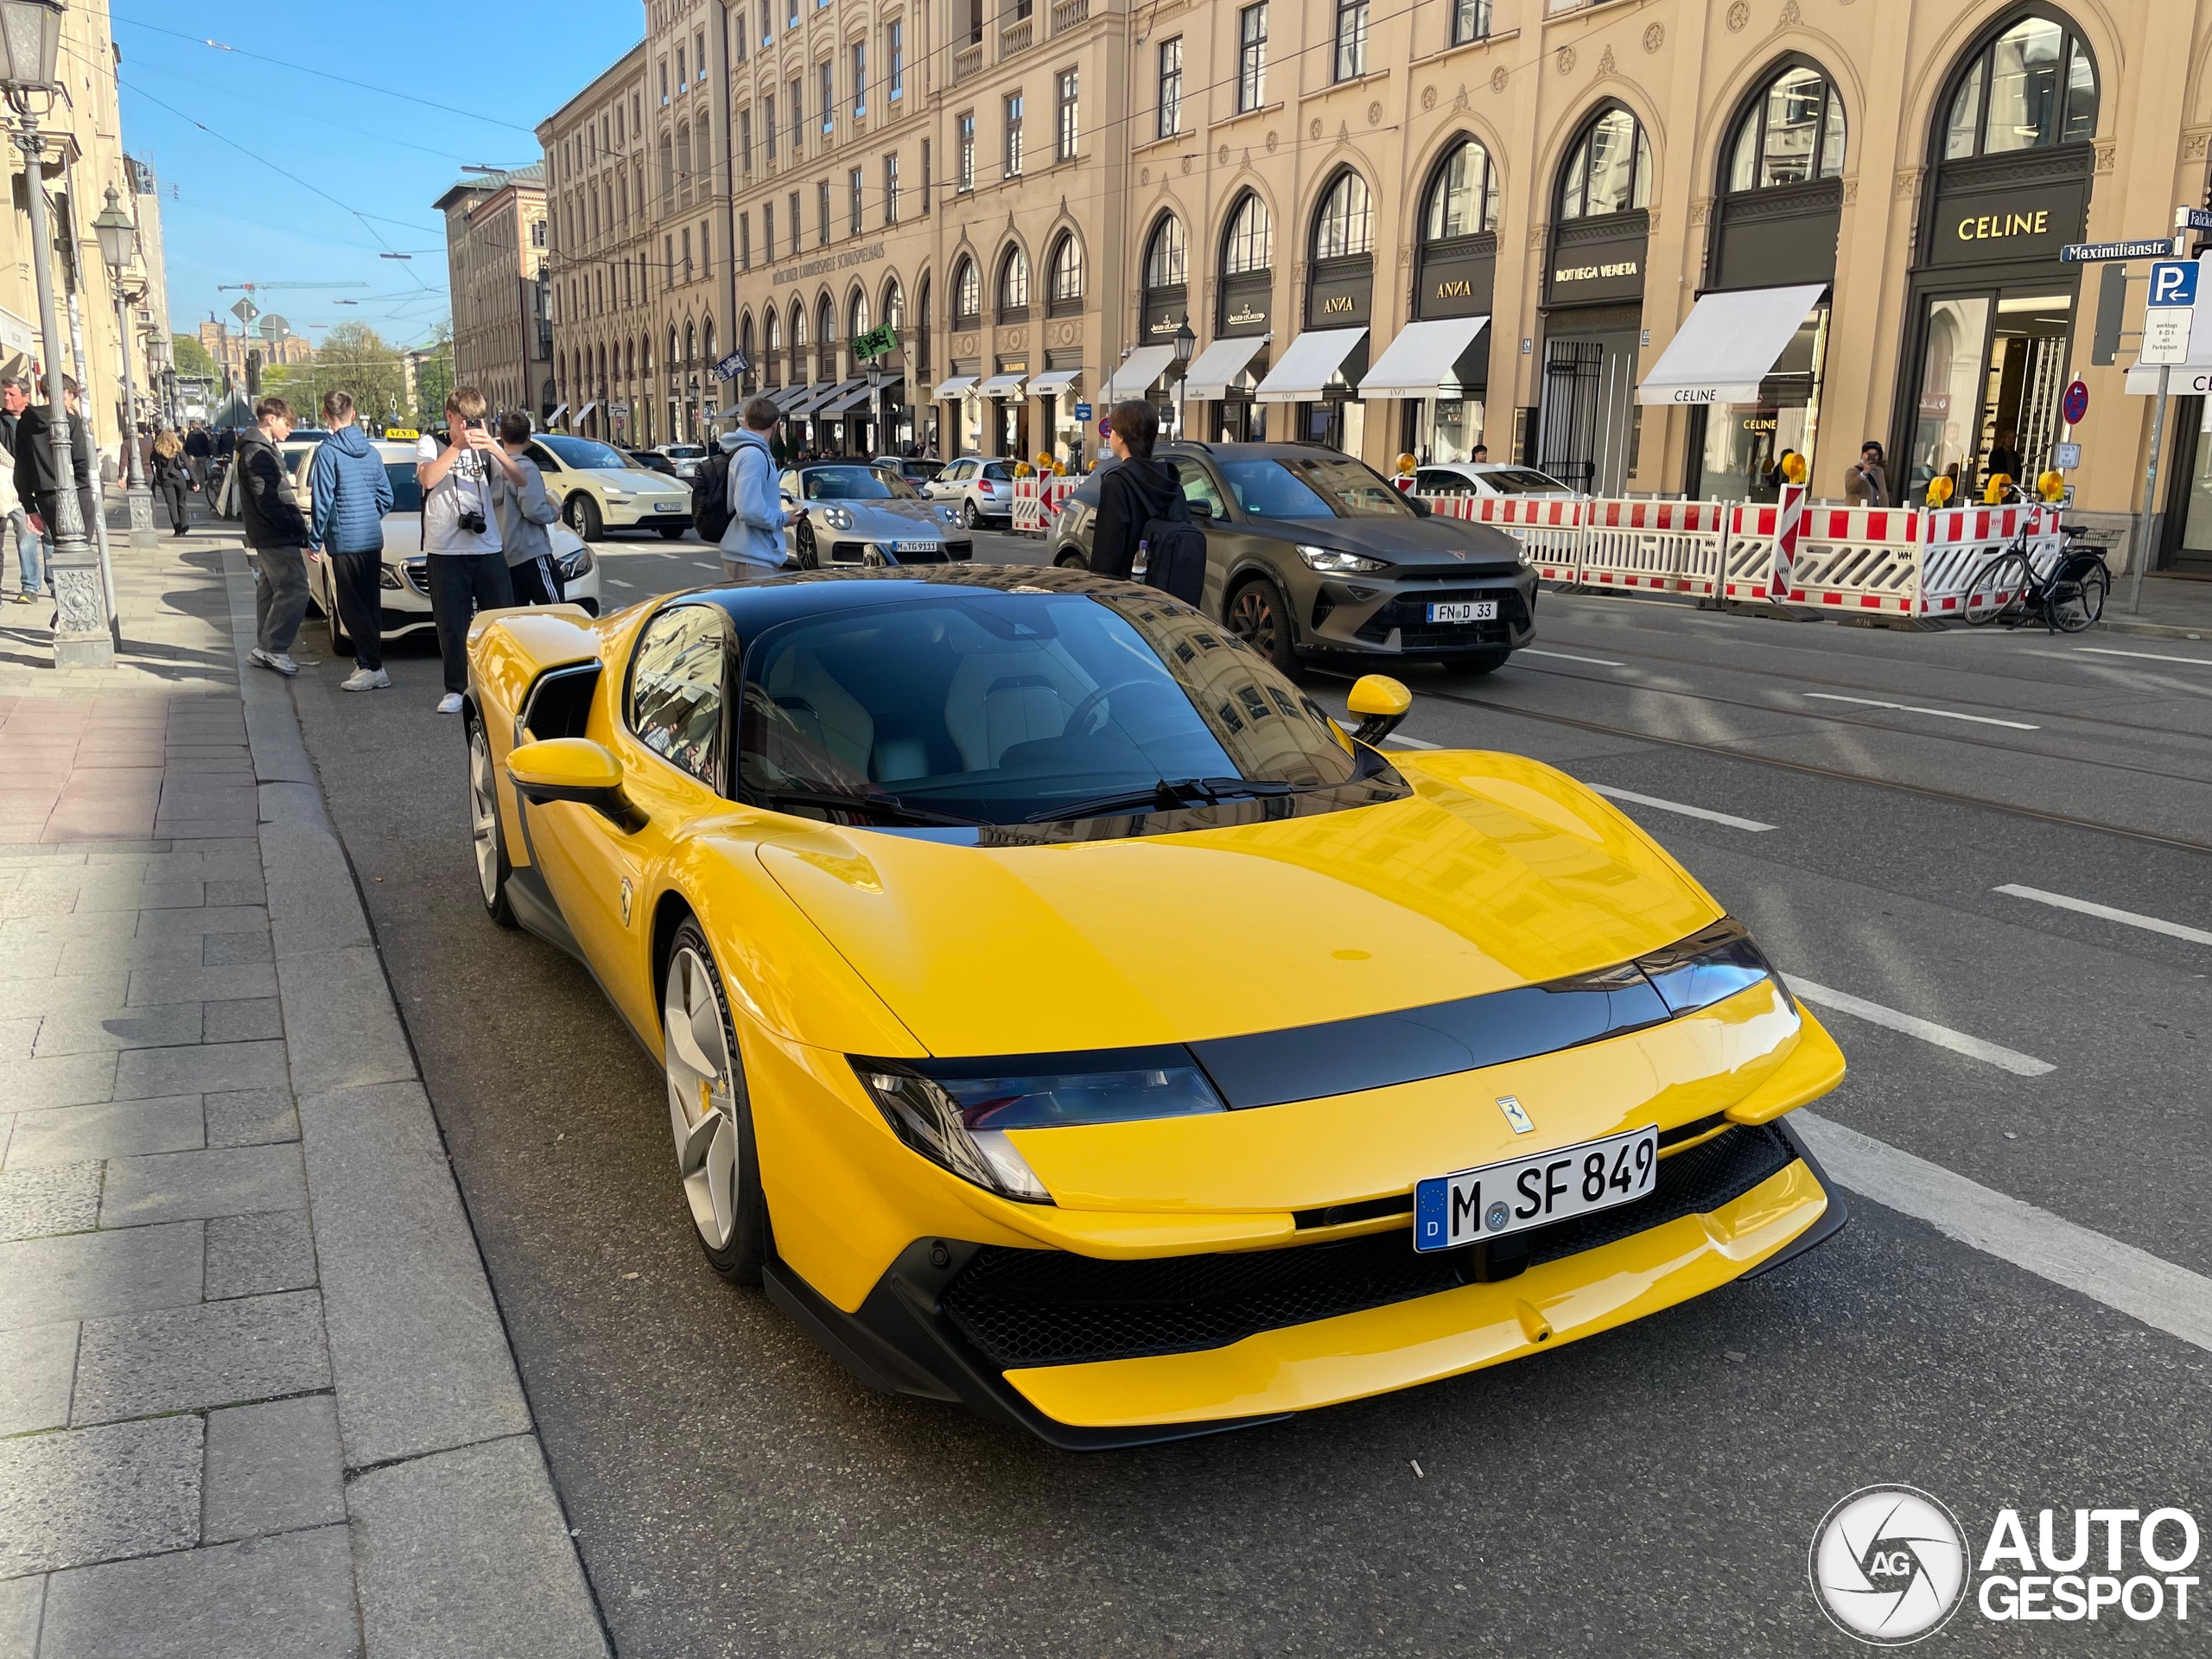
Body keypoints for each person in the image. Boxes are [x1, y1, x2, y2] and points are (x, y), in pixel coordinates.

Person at [417, 386, 524, 713]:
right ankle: (455, 688)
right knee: (452, 623)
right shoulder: (431, 443)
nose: (471, 427)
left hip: (487, 546)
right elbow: (428, 479)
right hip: (446, 549)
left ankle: (501, 685)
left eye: (477, 421)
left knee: (500, 620)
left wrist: (494, 447)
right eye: (466, 421)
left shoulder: (485, 447)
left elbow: (521, 480)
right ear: (450, 416)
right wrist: (456, 447)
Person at [308, 390, 396, 691]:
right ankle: (367, 661)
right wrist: (369, 516)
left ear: (325, 415)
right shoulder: (372, 452)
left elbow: (322, 499)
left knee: (350, 605)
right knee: (370, 603)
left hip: (344, 540)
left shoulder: (327, 452)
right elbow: (387, 496)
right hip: (371, 537)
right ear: (353, 414)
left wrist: (315, 538)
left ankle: (372, 666)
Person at [236, 397, 313, 677]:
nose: (290, 429)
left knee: (269, 589)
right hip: (274, 532)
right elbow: (267, 498)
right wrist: (292, 527)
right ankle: (273, 647)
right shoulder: (257, 451)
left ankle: (264, 648)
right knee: (296, 588)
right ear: (271, 419)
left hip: (266, 531)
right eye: (287, 423)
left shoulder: (256, 447)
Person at [13, 375, 97, 594]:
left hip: (45, 496)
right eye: (71, 397)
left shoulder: (25, 423)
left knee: (60, 549)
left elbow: (21, 466)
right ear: (63, 394)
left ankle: (65, 605)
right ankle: (72, 607)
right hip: (77, 493)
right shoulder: (71, 421)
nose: (71, 403)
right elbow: (81, 460)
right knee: (80, 551)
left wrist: (29, 506)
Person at [1087, 399, 1185, 582]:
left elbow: (1107, 553)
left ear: (1122, 436)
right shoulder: (1171, 482)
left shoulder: (1117, 484)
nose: (1110, 436)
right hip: (1168, 594)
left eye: (1112, 430)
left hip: (1127, 594)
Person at [491, 411, 563, 606]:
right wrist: (554, 512)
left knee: (515, 615)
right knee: (557, 610)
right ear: (529, 436)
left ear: (501, 435)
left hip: (505, 553)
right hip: (530, 550)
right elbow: (533, 510)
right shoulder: (526, 468)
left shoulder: (493, 468)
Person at [717, 397, 788, 582]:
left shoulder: (747, 451)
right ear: (775, 424)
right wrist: (785, 518)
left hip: (748, 554)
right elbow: (750, 511)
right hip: (751, 555)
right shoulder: (753, 456)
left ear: (746, 421)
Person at [0, 377, 41, 602]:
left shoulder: (36, 419)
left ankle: (41, 585)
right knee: (20, 537)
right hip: (5, 488)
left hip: (30, 487)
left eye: (11, 394)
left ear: (25, 396)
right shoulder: (1, 420)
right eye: (5, 393)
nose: (6, 397)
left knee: (34, 536)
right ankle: (28, 586)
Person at [149, 429, 194, 537]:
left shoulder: (156, 452)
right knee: (182, 503)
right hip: (179, 479)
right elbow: (188, 466)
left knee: (171, 505)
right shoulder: (179, 451)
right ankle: (184, 526)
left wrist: (158, 477)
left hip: (166, 481)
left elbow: (153, 465)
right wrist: (195, 481)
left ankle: (177, 529)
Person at [1844, 441, 1889, 508]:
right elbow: (1849, 488)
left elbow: (1883, 492)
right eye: (1869, 455)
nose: (1872, 457)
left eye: (1875, 455)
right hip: (1859, 510)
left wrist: (1885, 509)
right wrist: (1863, 474)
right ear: (1863, 455)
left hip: (1877, 510)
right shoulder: (1853, 471)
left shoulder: (1879, 471)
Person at [182, 421, 212, 488]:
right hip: (202, 456)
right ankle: (201, 486)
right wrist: (208, 455)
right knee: (202, 472)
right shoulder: (203, 435)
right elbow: (207, 445)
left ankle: (194, 485)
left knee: (193, 471)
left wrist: (187, 453)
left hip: (193, 456)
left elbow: (187, 445)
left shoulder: (190, 435)